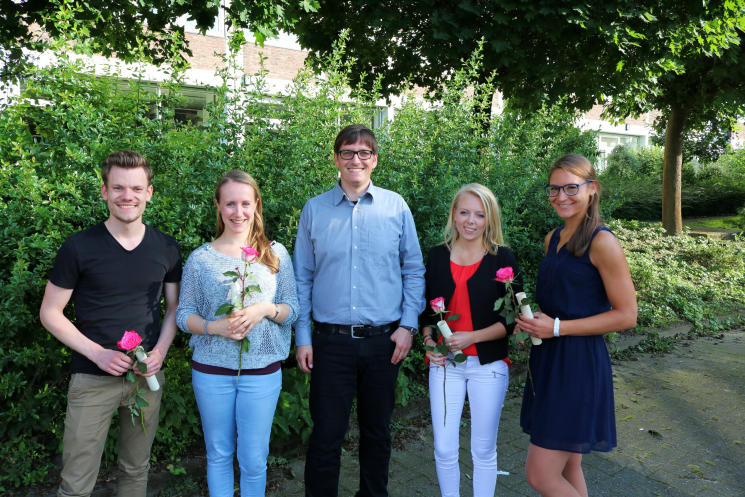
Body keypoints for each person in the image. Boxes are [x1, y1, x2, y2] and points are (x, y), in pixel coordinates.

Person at [39, 150, 182, 497]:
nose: (127, 196)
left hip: (146, 378)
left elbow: (174, 309)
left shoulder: (166, 247)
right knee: (76, 482)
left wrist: (160, 353)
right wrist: (98, 354)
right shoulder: (78, 247)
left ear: (149, 192)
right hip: (92, 379)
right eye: (118, 188)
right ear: (104, 191)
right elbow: (50, 312)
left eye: (136, 188)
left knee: (136, 470)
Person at [293, 124, 426, 497]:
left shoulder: (396, 207)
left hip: (384, 343)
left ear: (375, 160)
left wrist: (408, 326)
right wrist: (303, 337)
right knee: (326, 436)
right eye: (348, 152)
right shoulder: (314, 210)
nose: (356, 159)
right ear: (336, 159)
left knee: (377, 433)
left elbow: (414, 270)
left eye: (364, 152)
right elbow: (302, 278)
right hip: (329, 344)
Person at [516, 154, 637, 497]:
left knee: (540, 475)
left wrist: (557, 328)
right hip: (548, 361)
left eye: (571, 187)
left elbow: (627, 315)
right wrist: (533, 322)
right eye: (554, 189)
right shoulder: (552, 238)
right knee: (568, 467)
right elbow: (562, 303)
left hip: (579, 366)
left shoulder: (602, 242)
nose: (561, 196)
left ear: (592, 189)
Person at [176, 169, 298, 497]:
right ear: (218, 206)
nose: (238, 211)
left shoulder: (275, 254)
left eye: (245, 203)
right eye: (230, 204)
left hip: (261, 373)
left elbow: (293, 310)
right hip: (211, 372)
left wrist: (264, 309)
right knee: (218, 454)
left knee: (254, 459)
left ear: (256, 205)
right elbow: (183, 315)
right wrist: (213, 327)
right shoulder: (200, 259)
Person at [422, 183, 520, 497]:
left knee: (483, 449)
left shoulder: (502, 258)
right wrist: (428, 343)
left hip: (488, 366)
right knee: (444, 448)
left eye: (479, 214)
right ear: (454, 214)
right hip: (445, 365)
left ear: (489, 219)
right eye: (464, 212)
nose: (471, 221)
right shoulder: (437, 256)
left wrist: (472, 337)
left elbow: (513, 319)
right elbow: (427, 313)